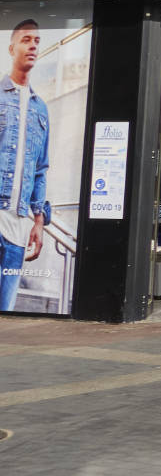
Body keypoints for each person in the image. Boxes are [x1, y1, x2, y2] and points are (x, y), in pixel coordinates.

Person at [0, 20, 51, 312]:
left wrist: (39, 221)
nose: (33, 45)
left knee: (6, 311)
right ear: (11, 48)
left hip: (19, 225)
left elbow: (41, 169)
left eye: (37, 41)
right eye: (26, 39)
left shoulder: (40, 107)